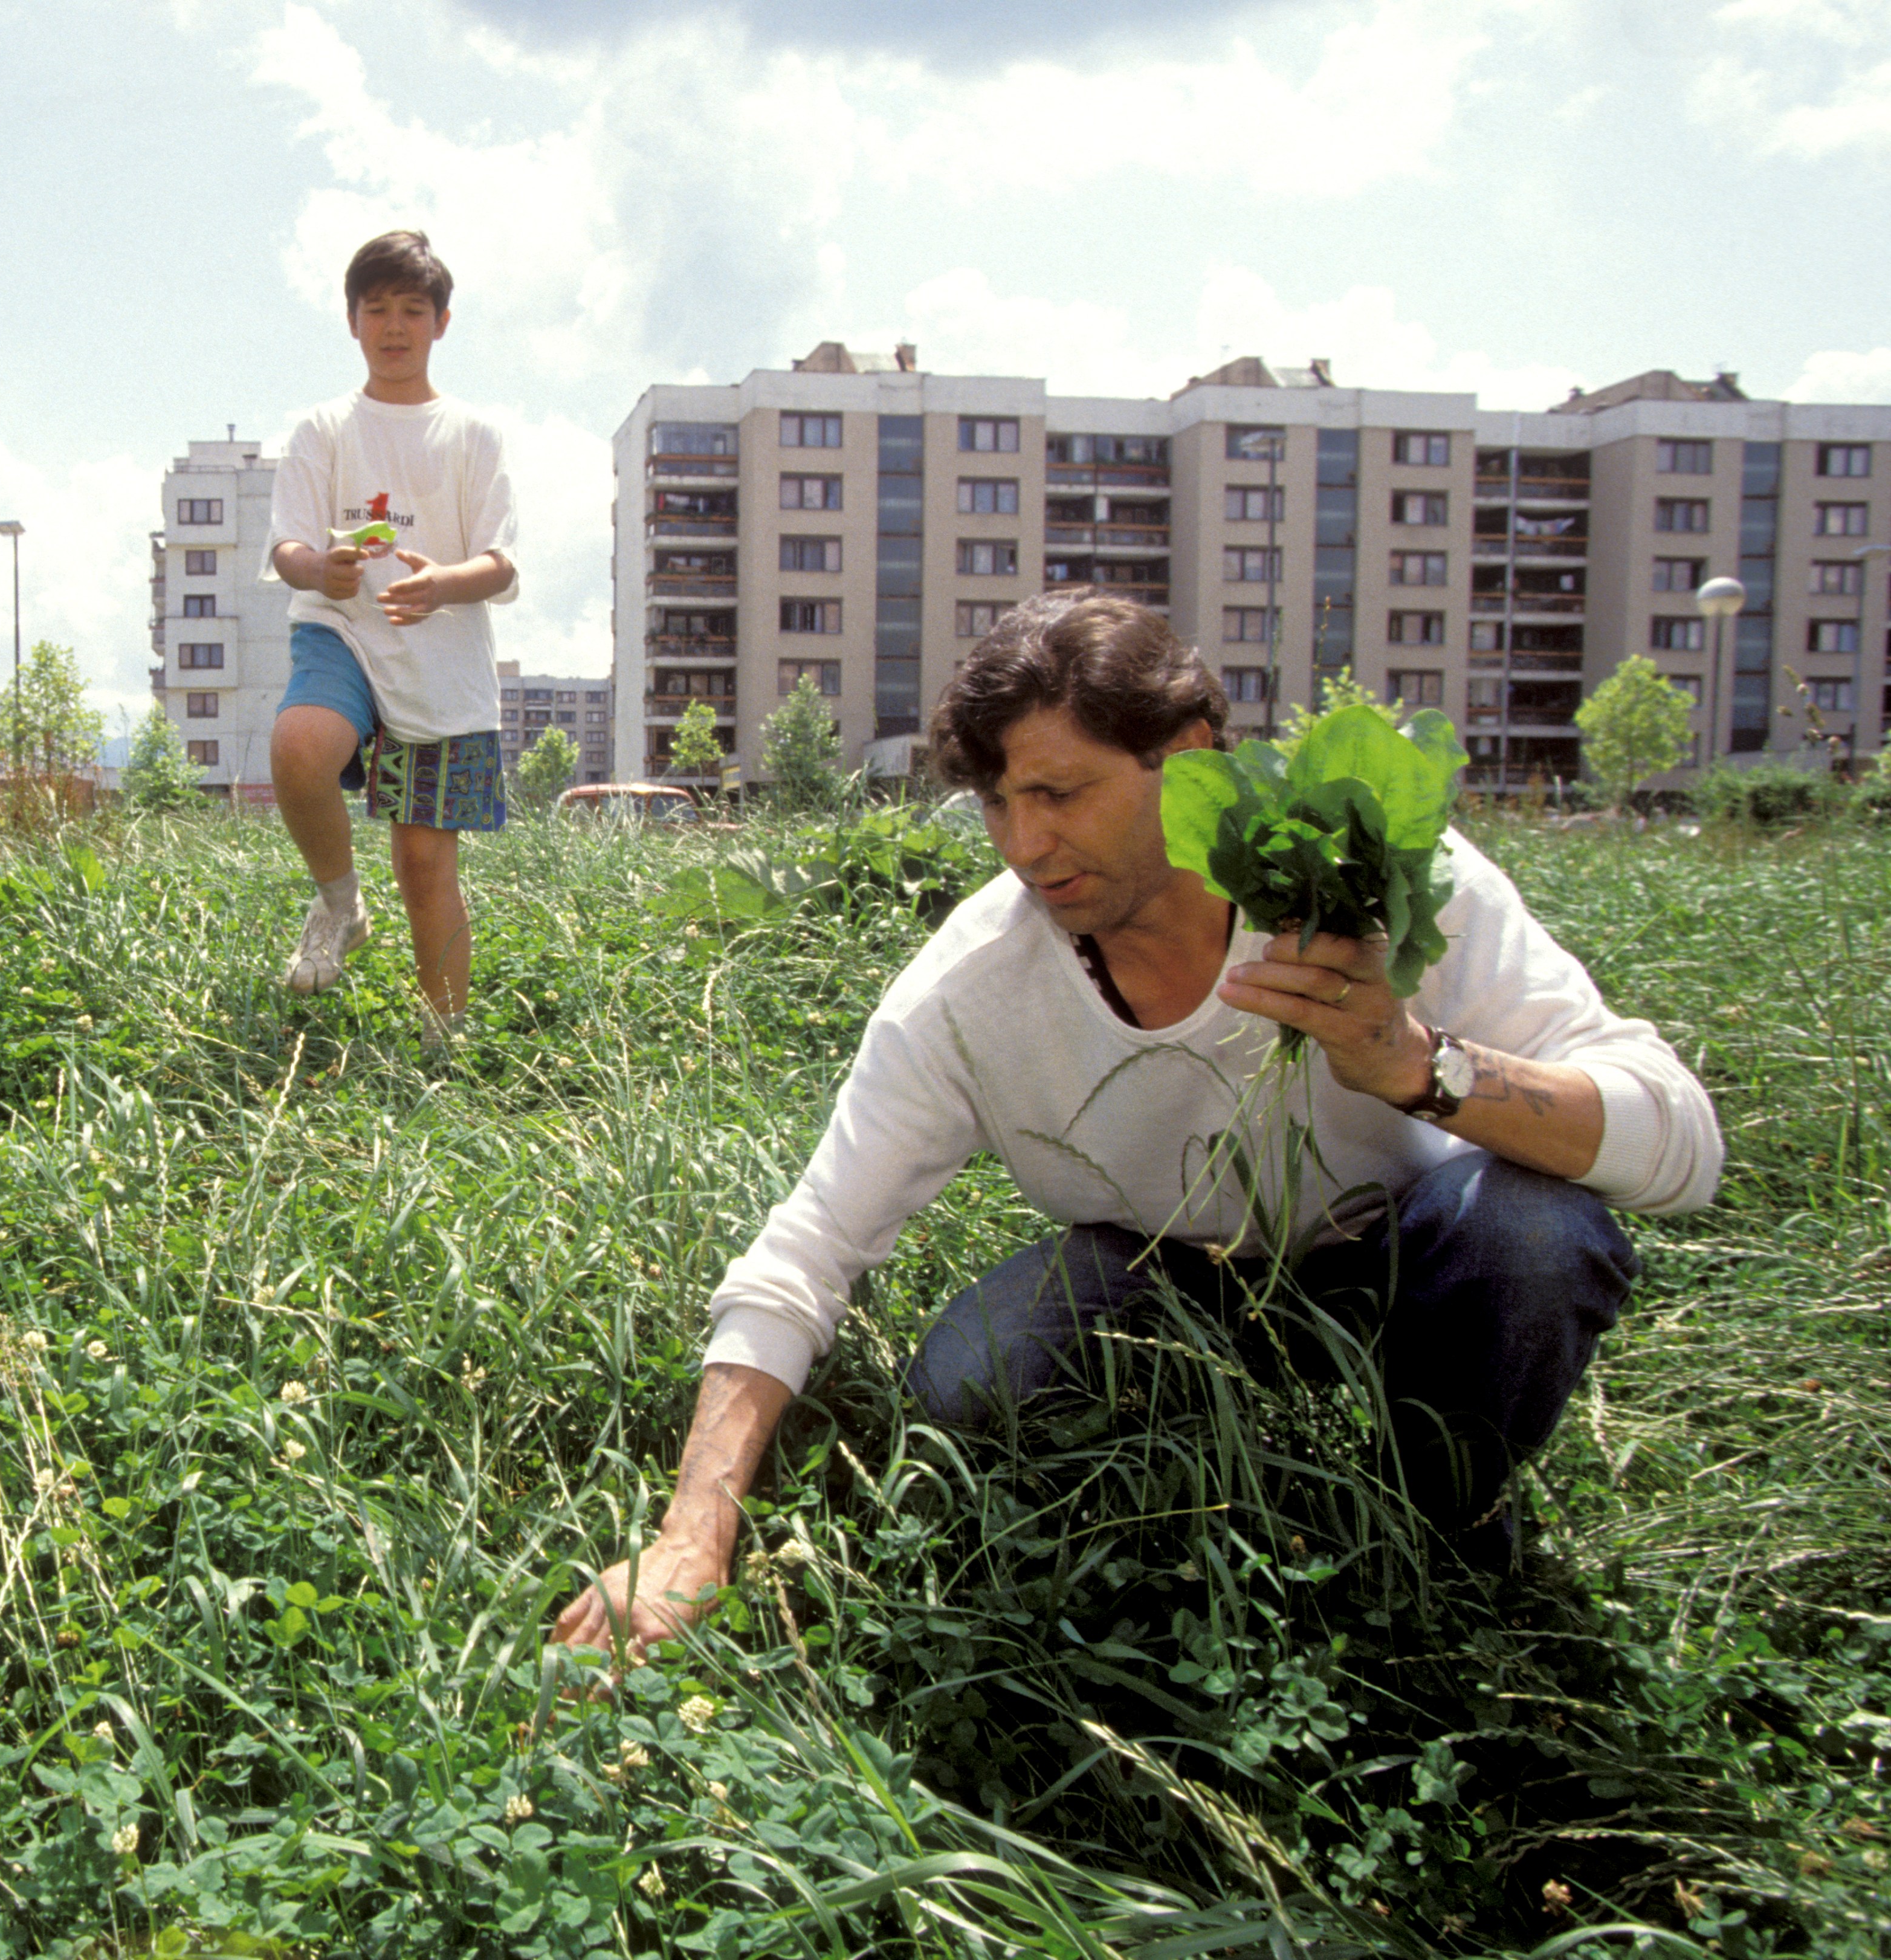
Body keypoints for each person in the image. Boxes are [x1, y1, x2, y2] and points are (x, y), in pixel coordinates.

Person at [553, 592, 1723, 1657]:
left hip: (1411, 1263)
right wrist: (689, 1540)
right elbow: (805, 1253)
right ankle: (1194, 1504)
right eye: (998, 802)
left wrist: (1415, 1066)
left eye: (1060, 792)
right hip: (1159, 1281)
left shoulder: (1372, 883)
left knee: (1529, 1230)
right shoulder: (974, 983)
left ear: (1190, 759)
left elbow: (1681, 1142)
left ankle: (1436, 1530)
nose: (1022, 847)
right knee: (973, 1381)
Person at [264, 229, 519, 1026]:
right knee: (300, 744)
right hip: (338, 629)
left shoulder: (473, 435)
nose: (396, 325)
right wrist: (321, 569)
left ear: (443, 322)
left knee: (422, 864)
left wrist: (444, 584)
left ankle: (445, 1046)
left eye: (414, 309)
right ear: (352, 320)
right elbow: (288, 545)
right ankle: (340, 904)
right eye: (378, 309)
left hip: (441, 661)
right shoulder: (323, 428)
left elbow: (502, 562)